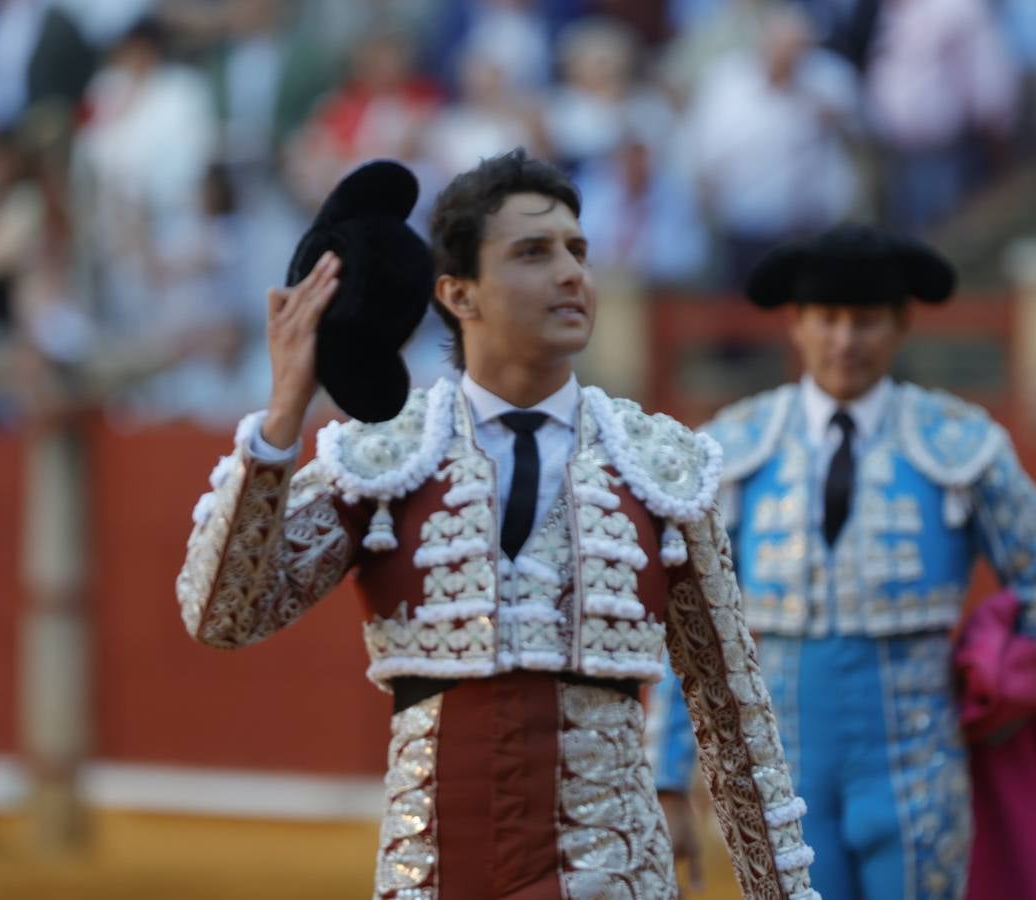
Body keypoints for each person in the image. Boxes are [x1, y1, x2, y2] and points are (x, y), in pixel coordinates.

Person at [174, 149, 818, 899]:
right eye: (534, 253)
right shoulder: (384, 458)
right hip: (437, 874)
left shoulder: (660, 467)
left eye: (579, 250)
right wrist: (284, 413)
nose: (572, 273)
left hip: (613, 878)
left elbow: (735, 719)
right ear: (459, 293)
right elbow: (224, 615)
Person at [648, 223, 1036, 899]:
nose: (844, 341)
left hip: (919, 766)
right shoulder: (733, 448)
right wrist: (667, 775)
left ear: (900, 325)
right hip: (780, 774)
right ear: (796, 325)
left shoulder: (961, 443)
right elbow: (691, 626)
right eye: (827, 319)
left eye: (866, 321)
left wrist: (991, 693)